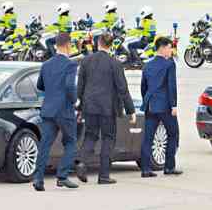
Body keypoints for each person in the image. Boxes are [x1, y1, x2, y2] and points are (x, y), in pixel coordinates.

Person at [75, 33, 136, 185]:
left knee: (90, 136)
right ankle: (104, 175)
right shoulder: (115, 64)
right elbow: (123, 89)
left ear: (98, 43)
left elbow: (80, 87)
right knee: (108, 139)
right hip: (108, 108)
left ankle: (81, 163)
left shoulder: (86, 61)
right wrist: (131, 110)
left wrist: (80, 108)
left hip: (90, 106)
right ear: (111, 45)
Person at [32, 33, 79, 191]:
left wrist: (52, 92)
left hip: (48, 110)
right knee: (71, 142)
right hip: (65, 110)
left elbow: (40, 86)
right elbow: (70, 86)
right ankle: (62, 176)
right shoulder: (71, 65)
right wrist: (75, 101)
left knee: (45, 144)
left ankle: (38, 179)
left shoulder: (46, 65)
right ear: (67, 45)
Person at [140, 37, 181, 177]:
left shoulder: (147, 64)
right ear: (162, 48)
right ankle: (169, 167)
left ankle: (145, 169)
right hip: (165, 106)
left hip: (150, 105)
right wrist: (174, 105)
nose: (171, 50)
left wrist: (147, 101)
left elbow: (143, 87)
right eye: (170, 47)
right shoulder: (169, 64)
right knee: (173, 134)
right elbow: (171, 86)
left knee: (148, 138)